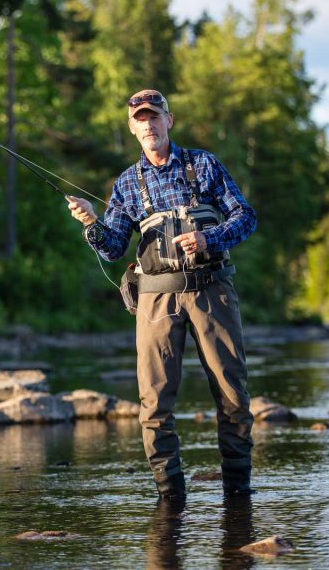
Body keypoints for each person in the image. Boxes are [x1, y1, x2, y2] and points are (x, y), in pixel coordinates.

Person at [68, 89, 257, 500]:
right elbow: (114, 246)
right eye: (140, 119)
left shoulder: (204, 165)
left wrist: (210, 237)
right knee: (153, 405)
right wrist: (91, 223)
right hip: (156, 300)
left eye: (155, 116)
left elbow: (246, 217)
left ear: (169, 121)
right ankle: (170, 498)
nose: (148, 124)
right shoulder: (126, 184)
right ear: (132, 128)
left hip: (213, 291)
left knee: (232, 396)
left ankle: (238, 494)